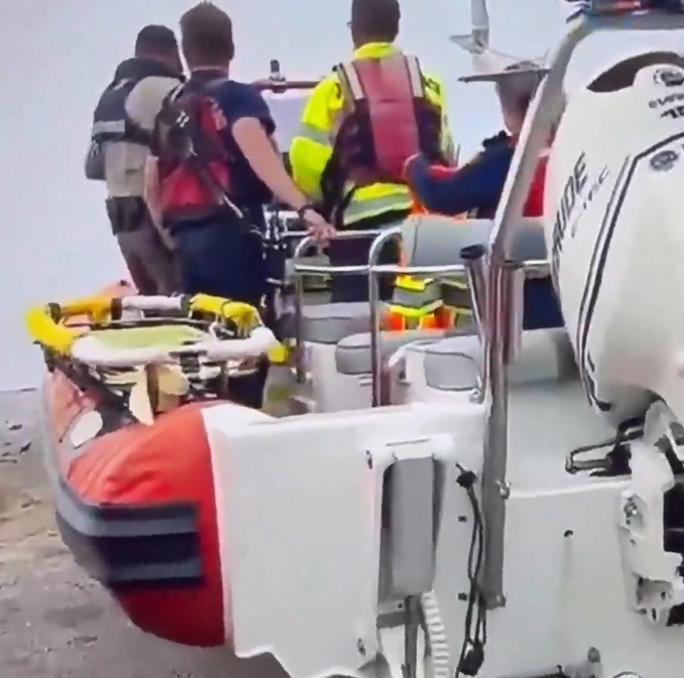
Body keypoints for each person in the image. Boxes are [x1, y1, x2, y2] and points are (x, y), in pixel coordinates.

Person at [144, 2, 335, 406]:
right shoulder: (238, 98)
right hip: (232, 239)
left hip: (185, 242)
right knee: (246, 336)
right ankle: (246, 410)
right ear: (230, 48)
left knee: (203, 340)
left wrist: (171, 238)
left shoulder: (170, 107)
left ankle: (207, 410)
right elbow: (260, 157)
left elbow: (151, 186)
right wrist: (304, 208)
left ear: (185, 51)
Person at [289, 0, 455, 302]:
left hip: (359, 231)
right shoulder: (429, 83)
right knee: (418, 314)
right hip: (419, 226)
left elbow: (306, 162)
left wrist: (320, 209)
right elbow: (444, 150)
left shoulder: (332, 89)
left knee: (357, 319)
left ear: (353, 29)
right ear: (397, 27)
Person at [404, 60, 564, 330]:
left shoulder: (508, 160)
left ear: (511, 106)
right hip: (566, 297)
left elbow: (442, 194)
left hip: (523, 304)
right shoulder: (568, 150)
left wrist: (414, 165)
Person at [86, 25, 185, 296]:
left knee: (152, 300)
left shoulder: (111, 94)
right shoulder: (166, 89)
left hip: (123, 221)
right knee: (178, 296)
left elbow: (93, 167)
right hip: (156, 220)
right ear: (172, 53)